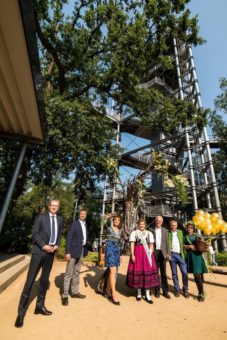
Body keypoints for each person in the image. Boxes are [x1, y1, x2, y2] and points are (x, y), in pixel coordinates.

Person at [15, 199, 63, 328]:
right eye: (52, 205)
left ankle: (39, 307)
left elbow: (59, 234)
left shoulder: (60, 219)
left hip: (51, 254)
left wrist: (57, 245)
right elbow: (35, 234)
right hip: (39, 252)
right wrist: (44, 246)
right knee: (30, 281)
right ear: (49, 206)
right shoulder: (41, 217)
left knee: (44, 281)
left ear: (58, 208)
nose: (54, 207)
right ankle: (20, 314)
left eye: (56, 206)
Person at [126, 218, 160, 304]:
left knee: (146, 272)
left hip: (147, 254)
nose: (142, 225)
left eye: (143, 224)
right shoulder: (134, 233)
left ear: (145, 225)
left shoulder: (149, 233)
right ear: (138, 225)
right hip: (138, 253)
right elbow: (132, 244)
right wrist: (132, 254)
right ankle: (139, 293)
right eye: (140, 224)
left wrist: (150, 253)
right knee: (138, 271)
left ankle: (147, 294)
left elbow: (151, 245)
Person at [62, 208, 88, 306]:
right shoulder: (74, 224)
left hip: (81, 251)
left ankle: (74, 292)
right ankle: (65, 296)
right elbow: (69, 238)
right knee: (68, 273)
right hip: (72, 252)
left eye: (84, 214)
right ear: (79, 214)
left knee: (76, 272)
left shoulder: (85, 224)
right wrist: (67, 252)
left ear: (86, 215)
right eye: (81, 213)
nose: (83, 215)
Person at [184, 222, 208, 302]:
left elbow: (205, 244)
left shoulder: (197, 236)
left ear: (193, 229)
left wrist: (205, 245)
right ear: (186, 228)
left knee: (197, 275)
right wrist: (189, 246)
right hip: (190, 257)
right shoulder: (185, 237)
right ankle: (200, 292)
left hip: (197, 256)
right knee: (196, 275)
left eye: (191, 228)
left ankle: (201, 294)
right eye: (188, 228)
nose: (189, 229)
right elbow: (182, 246)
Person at [151, 216, 171, 299]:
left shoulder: (165, 231)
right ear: (155, 221)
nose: (158, 221)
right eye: (157, 220)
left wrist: (168, 253)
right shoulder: (151, 230)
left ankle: (165, 291)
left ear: (162, 222)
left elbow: (167, 243)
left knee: (163, 273)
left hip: (162, 253)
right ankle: (157, 291)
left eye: (159, 220)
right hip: (154, 252)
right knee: (155, 273)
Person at [168, 219, 189, 298]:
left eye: (174, 225)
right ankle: (177, 289)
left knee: (184, 272)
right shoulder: (168, 233)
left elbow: (186, 240)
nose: (173, 227)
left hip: (181, 255)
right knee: (174, 273)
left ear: (177, 226)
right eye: (172, 225)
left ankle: (185, 289)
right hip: (172, 255)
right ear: (170, 226)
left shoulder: (180, 232)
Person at [104, 214, 122, 305]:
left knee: (112, 272)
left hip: (117, 252)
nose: (116, 221)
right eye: (115, 220)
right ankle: (113, 294)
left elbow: (120, 243)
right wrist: (107, 218)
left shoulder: (120, 231)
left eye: (118, 220)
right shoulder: (109, 228)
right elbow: (104, 224)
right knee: (112, 271)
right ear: (113, 221)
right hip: (110, 251)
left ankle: (107, 290)